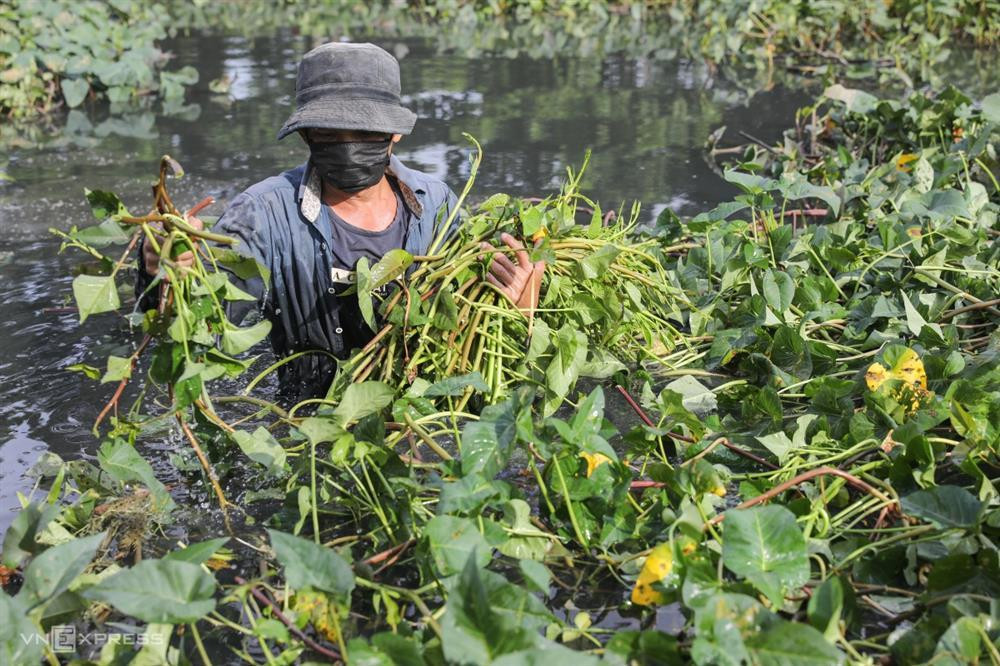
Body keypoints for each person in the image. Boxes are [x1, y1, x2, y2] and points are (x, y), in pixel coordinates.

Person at [137, 42, 544, 401]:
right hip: (309, 422)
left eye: (364, 131)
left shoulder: (438, 206)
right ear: (306, 135)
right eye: (330, 133)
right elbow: (200, 330)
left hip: (427, 416)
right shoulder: (262, 215)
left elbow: (477, 345)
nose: (348, 145)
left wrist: (521, 313)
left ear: (394, 133)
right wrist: (164, 274)